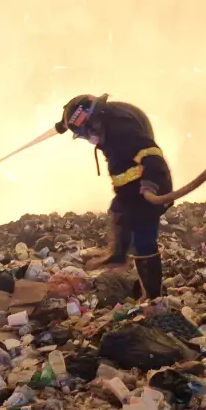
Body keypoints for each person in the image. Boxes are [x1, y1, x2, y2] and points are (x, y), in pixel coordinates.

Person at [56, 94, 172, 299]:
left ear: (94, 122)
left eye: (85, 134)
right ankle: (118, 255)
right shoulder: (104, 120)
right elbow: (78, 115)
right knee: (118, 213)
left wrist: (150, 184)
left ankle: (153, 297)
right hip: (131, 189)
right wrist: (63, 125)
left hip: (148, 188)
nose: (88, 139)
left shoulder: (122, 130)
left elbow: (152, 154)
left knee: (143, 239)